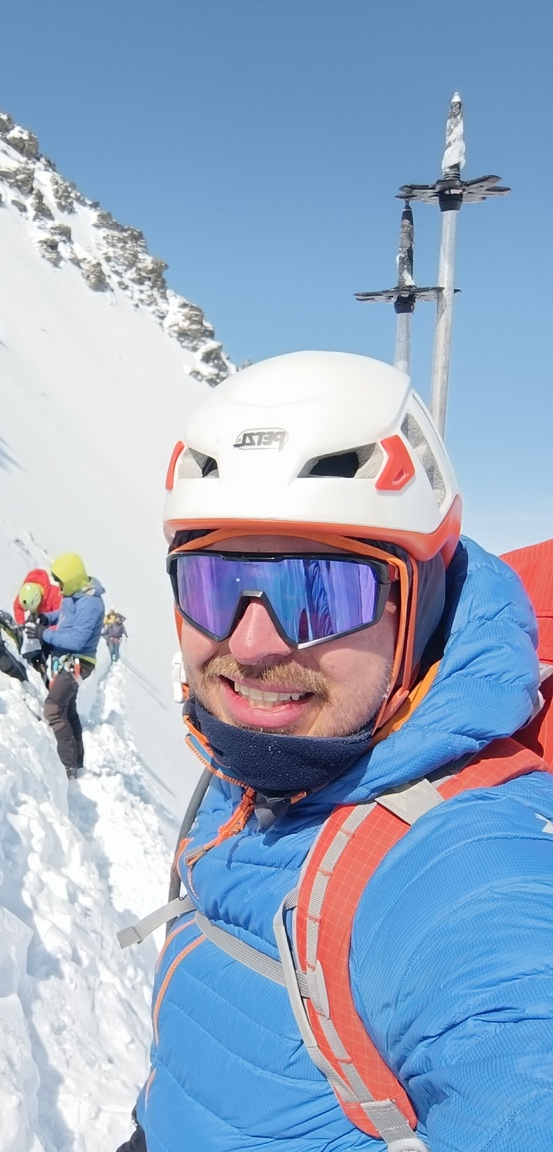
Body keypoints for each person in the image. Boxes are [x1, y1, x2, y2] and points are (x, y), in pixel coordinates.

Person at [117, 351, 552, 1152]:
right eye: (213, 585)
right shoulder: (277, 766)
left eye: (320, 592)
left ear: (419, 606)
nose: (251, 645)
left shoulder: (466, 871)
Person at [27, 553, 104, 779]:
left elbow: (76, 641)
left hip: (79, 661)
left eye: (61, 582)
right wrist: (47, 619)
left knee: (53, 708)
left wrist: (43, 633)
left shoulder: (90, 604)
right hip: (67, 658)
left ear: (71, 579)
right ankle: (76, 762)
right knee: (67, 709)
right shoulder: (75, 594)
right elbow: (64, 615)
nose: (59, 588)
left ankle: (67, 767)